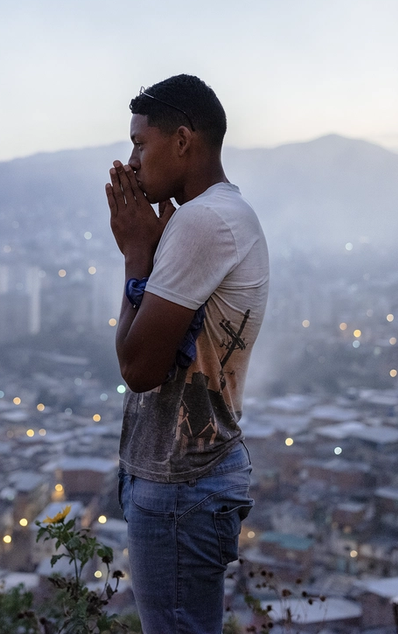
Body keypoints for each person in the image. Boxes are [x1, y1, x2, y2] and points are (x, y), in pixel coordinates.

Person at [106, 74, 269, 633]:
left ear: (181, 141)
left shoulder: (203, 221)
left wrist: (135, 254)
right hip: (188, 480)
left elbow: (139, 369)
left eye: (139, 143)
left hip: (182, 488)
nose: (130, 163)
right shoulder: (210, 216)